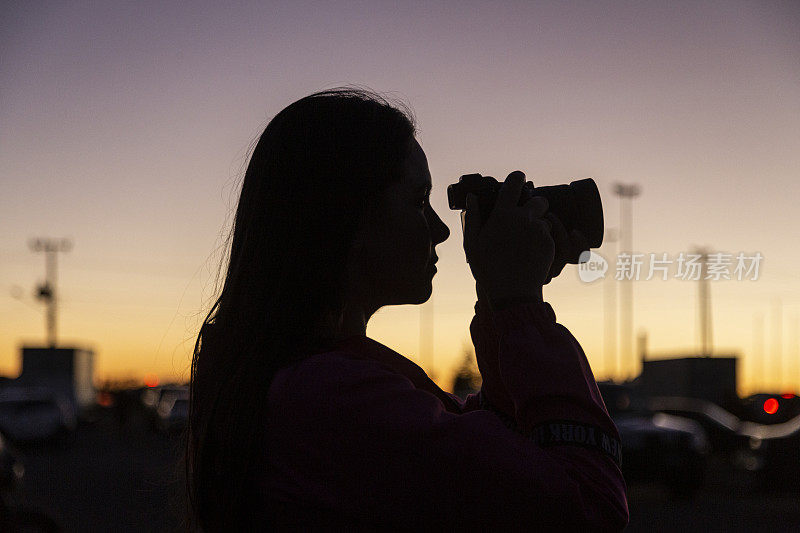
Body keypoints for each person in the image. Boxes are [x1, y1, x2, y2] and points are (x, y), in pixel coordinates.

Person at [186, 87, 629, 531]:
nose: (439, 230)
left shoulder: (300, 381)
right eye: (419, 202)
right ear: (345, 215)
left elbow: (495, 450)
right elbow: (587, 508)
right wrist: (520, 306)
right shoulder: (330, 398)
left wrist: (502, 304)